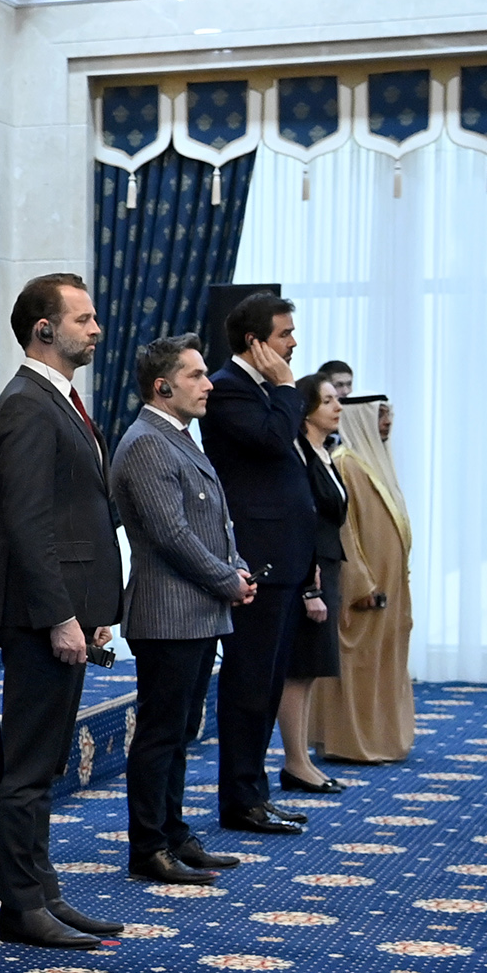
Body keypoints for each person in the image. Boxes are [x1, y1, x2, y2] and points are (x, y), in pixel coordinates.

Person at [0, 273, 125, 949]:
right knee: (26, 766)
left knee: (44, 765)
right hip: (39, 615)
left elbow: (76, 513)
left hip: (65, 609)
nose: (95, 330)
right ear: (44, 329)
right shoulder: (25, 405)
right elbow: (28, 524)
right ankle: (20, 905)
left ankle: (43, 893)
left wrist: (88, 609)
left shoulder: (57, 398)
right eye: (82, 319)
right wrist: (58, 616)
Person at [109, 337, 257, 888]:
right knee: (161, 734)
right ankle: (149, 847)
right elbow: (170, 535)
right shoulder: (148, 442)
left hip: (195, 610)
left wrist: (237, 569)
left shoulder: (177, 436)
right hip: (167, 614)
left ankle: (173, 833)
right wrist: (227, 580)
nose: (208, 384)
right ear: (162, 387)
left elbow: (213, 524)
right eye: (195, 375)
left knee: (181, 731)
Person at [202, 292, 314, 837]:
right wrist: (288, 387)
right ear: (255, 342)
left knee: (269, 684)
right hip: (256, 560)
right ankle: (241, 799)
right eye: (284, 334)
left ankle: (255, 793)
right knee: (249, 684)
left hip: (285, 558)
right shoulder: (227, 389)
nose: (293, 343)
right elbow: (273, 441)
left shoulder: (262, 390)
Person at [312, 395, 416, 762]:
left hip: (390, 584)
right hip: (366, 588)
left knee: (383, 663)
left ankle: (381, 739)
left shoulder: (373, 463)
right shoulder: (345, 464)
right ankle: (351, 743)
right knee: (359, 664)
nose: (387, 423)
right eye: (380, 415)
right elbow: (345, 532)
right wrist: (361, 584)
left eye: (389, 415)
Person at [278, 373, 351, 793]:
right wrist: (311, 587)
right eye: (327, 401)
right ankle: (294, 760)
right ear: (306, 410)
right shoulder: (299, 454)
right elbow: (301, 520)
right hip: (310, 570)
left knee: (310, 670)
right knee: (298, 667)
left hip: (328, 565)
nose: (338, 406)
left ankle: (302, 758)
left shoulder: (326, 453)